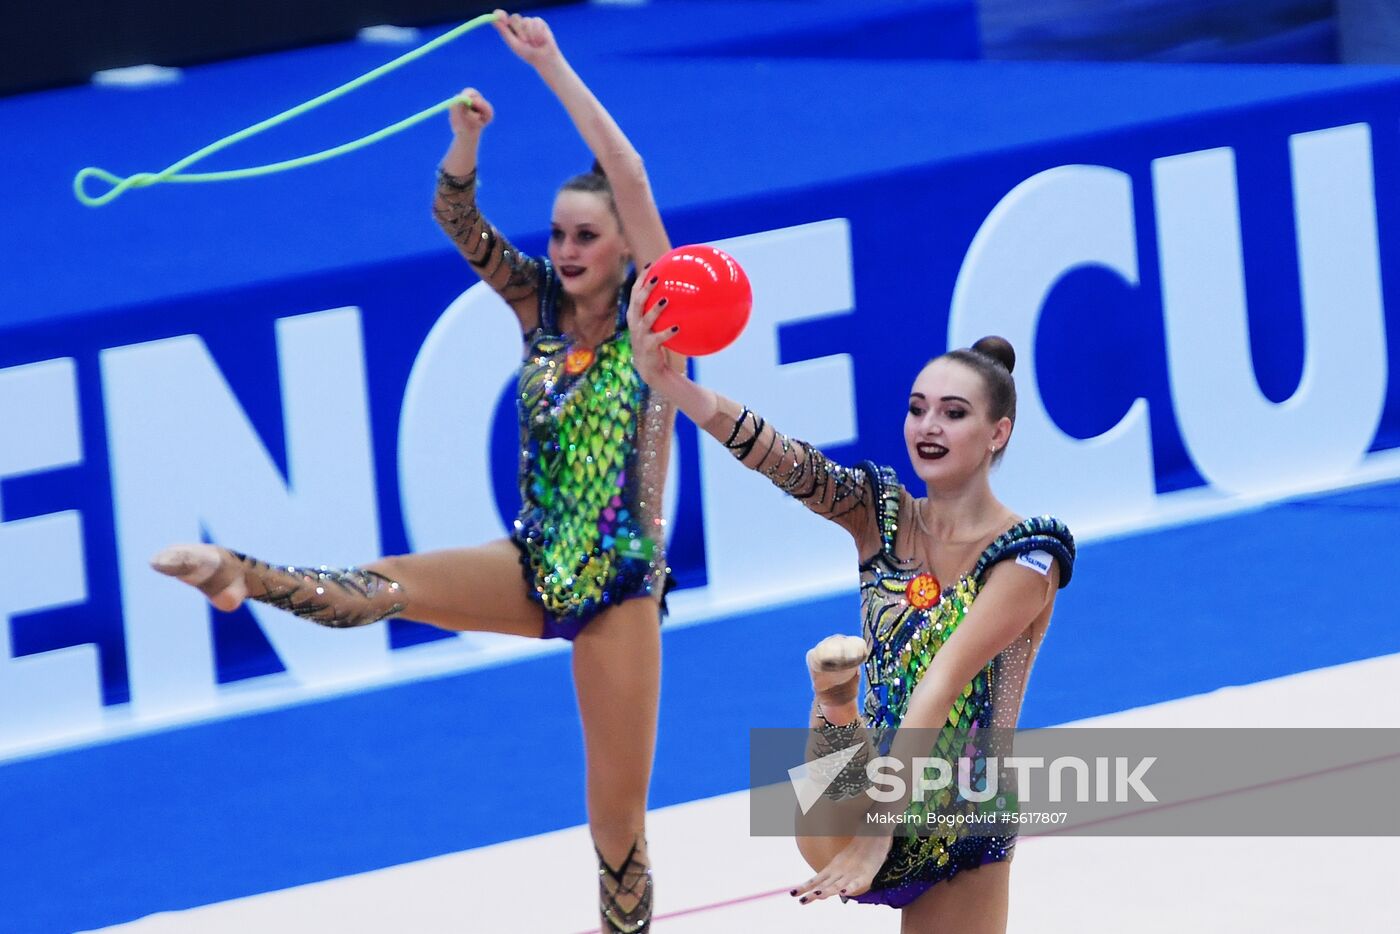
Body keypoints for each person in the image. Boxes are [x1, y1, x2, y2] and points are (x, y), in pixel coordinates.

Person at [151, 11, 680, 933]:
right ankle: (241, 572)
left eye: (586, 235)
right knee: (381, 587)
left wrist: (550, 66)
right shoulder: (537, 310)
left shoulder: (656, 320)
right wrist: (464, 142)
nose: (564, 249)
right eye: (557, 232)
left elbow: (628, 173)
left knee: (617, 831)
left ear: (628, 247)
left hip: (620, 591)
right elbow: (456, 218)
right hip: (529, 561)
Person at [627, 281, 1075, 932]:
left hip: (960, 815)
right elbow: (786, 462)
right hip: (856, 792)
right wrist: (675, 386)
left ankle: (840, 710)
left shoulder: (1027, 559)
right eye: (918, 408)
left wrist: (879, 838)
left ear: (996, 432)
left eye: (953, 413)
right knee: (836, 800)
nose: (928, 426)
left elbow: (944, 682)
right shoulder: (881, 514)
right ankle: (836, 707)